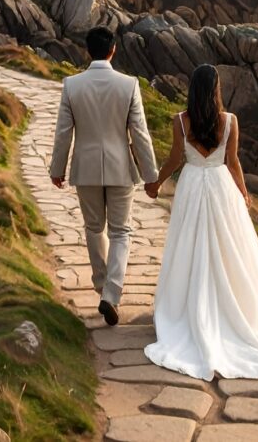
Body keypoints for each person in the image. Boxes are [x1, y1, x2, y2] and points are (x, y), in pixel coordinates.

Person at [142, 64, 258, 380]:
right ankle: (230, 311)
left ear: (192, 89)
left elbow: (176, 158)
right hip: (220, 187)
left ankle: (186, 310)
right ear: (216, 89)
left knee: (189, 246)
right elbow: (232, 162)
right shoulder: (229, 121)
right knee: (228, 248)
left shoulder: (180, 120)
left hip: (191, 185)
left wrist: (158, 182)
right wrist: (243, 193)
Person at [50, 26, 158, 327]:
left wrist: (56, 169)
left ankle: (101, 286)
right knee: (121, 232)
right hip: (121, 167)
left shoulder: (72, 85)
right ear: (113, 51)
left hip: (85, 168)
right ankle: (111, 294)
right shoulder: (129, 85)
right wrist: (151, 175)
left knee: (94, 228)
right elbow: (140, 133)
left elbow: (63, 133)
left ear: (88, 51)